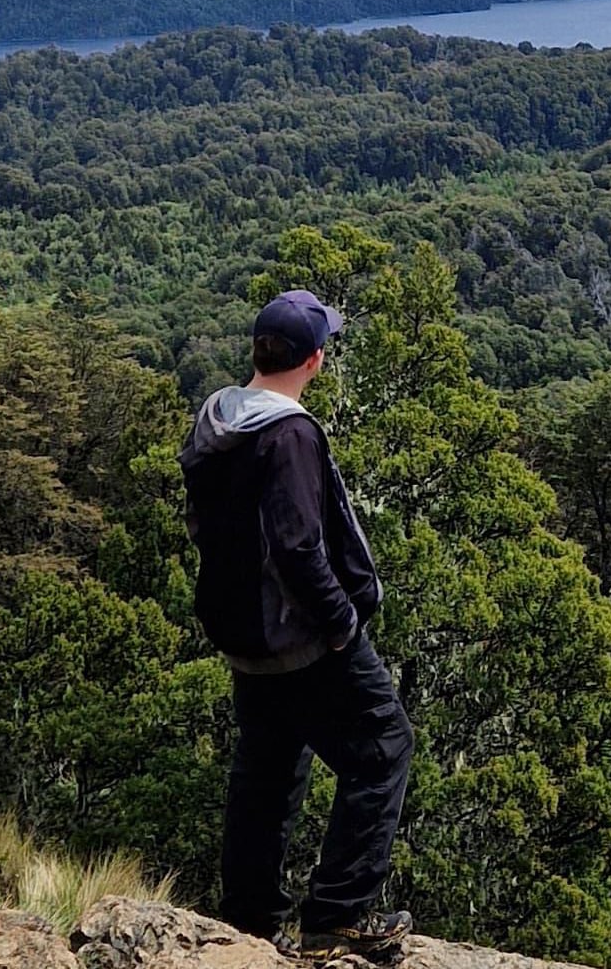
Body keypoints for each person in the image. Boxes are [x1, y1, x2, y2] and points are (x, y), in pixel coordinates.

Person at [180, 290, 415, 961]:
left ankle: (250, 920)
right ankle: (338, 915)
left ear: (259, 350)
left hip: (244, 633)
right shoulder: (289, 434)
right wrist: (342, 627)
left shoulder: (218, 418)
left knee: (269, 770)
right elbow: (298, 547)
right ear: (315, 359)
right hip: (302, 635)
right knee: (384, 748)